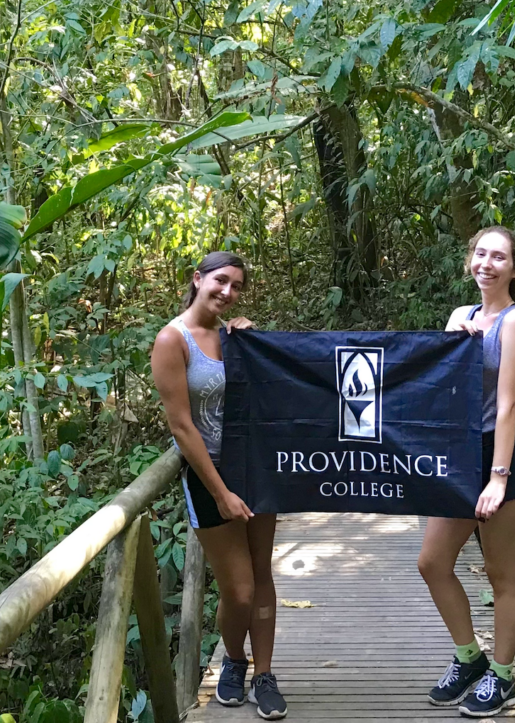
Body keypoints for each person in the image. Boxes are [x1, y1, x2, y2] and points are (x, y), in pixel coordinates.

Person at [151, 251, 287, 720]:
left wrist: (251, 343)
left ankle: (265, 674)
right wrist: (221, 493)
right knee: (240, 589)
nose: (227, 293)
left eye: (237, 287)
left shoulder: (234, 336)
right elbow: (182, 427)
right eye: (221, 282)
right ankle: (234, 660)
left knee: (263, 575)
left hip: (255, 467)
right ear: (198, 279)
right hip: (209, 475)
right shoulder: (173, 339)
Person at [418, 227, 515, 717]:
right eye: (481, 254)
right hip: (458, 453)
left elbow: (508, 405)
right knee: (431, 562)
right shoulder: (460, 315)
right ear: (470, 260)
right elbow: (439, 385)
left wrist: (498, 477)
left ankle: (503, 676)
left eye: (499, 257)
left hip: (499, 454)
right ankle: (469, 657)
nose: (487, 263)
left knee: (500, 575)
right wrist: (452, 344)